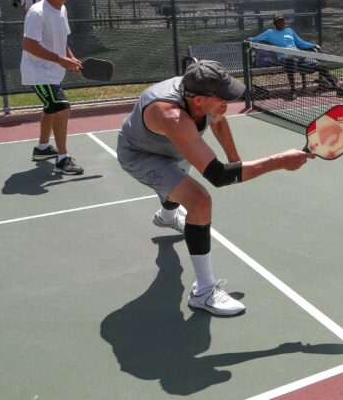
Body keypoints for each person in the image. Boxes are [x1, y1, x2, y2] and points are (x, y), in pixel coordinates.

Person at [116, 60, 313, 316]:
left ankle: (166, 217)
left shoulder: (202, 94)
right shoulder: (170, 114)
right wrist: (279, 161)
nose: (227, 103)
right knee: (199, 200)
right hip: (141, 154)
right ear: (198, 101)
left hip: (176, 145)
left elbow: (218, 121)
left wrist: (235, 160)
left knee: (178, 187)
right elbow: (218, 177)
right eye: (223, 98)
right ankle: (204, 292)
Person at [21, 0, 84, 175]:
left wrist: (71, 59)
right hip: (38, 72)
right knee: (62, 109)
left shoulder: (61, 9)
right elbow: (29, 44)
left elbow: (62, 39)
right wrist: (60, 60)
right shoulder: (37, 12)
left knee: (51, 109)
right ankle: (62, 159)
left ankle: (42, 149)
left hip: (53, 72)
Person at [247, 14, 343, 101]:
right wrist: (247, 41)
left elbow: (301, 43)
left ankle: (339, 89)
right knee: (290, 60)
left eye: (282, 21)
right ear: (275, 24)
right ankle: (293, 91)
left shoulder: (289, 31)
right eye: (279, 21)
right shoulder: (269, 33)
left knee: (321, 66)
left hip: (299, 56)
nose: (281, 23)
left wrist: (313, 45)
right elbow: (254, 39)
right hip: (284, 58)